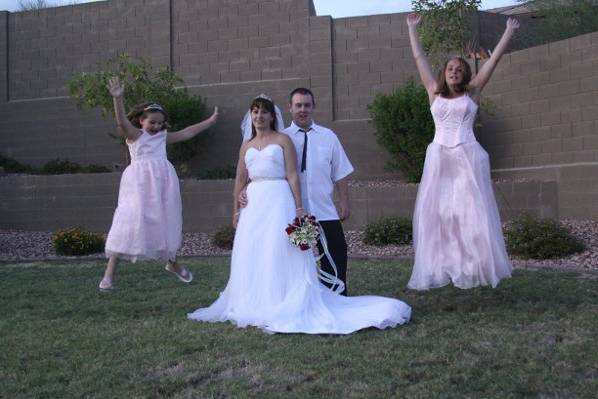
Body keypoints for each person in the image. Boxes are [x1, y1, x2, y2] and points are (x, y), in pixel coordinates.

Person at [187, 96, 411, 334]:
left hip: (278, 199)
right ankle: (253, 300)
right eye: (255, 112)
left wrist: (298, 206)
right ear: (251, 116)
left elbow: (293, 175)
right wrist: (236, 207)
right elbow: (240, 179)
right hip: (254, 205)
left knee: (280, 249)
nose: (259, 116)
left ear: (273, 116)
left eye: (264, 112)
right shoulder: (246, 146)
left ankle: (283, 298)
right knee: (253, 250)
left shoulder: (284, 139)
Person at [405, 14, 518, 290]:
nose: (454, 71)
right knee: (439, 212)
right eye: (450, 68)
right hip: (440, 156)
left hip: (467, 156)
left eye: (459, 68)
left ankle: (474, 263)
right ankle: (440, 264)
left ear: (465, 74)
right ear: (444, 73)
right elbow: (420, 59)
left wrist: (508, 33)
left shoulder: (473, 92)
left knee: (471, 212)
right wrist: (412, 30)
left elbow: (493, 62)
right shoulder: (434, 92)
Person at [98, 76, 219, 290]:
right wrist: (118, 99)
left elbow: (187, 133)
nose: (157, 126)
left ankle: (172, 264)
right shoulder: (135, 135)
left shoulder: (162, 137)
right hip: (138, 185)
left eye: (160, 122)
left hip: (163, 185)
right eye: (152, 122)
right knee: (128, 222)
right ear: (140, 121)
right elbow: (121, 122)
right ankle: (108, 275)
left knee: (165, 221)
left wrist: (209, 122)